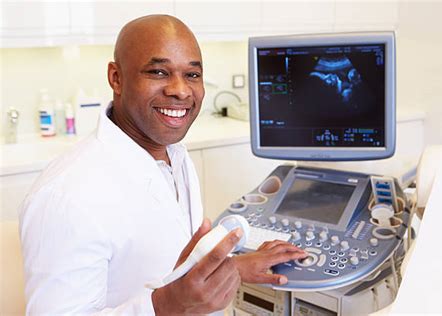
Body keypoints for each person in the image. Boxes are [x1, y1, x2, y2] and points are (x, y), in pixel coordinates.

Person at [19, 15, 307, 315]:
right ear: (116, 78)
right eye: (158, 72)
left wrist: (233, 266)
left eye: (192, 75)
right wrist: (166, 305)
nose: (181, 90)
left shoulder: (173, 154)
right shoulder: (65, 197)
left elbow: (173, 259)